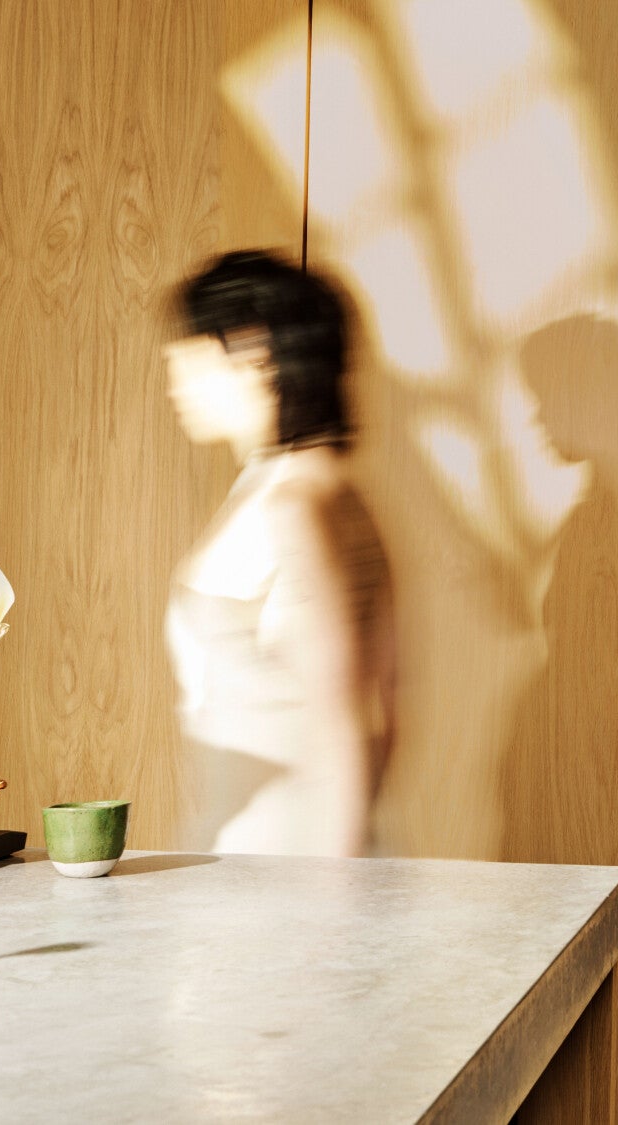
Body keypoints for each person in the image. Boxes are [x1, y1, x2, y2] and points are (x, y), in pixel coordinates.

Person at [162, 250, 394, 856]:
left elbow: (348, 721)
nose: (174, 379)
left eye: (188, 354)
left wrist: (335, 904)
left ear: (253, 351)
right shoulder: (309, 487)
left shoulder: (296, 504)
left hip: (285, 862)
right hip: (261, 851)